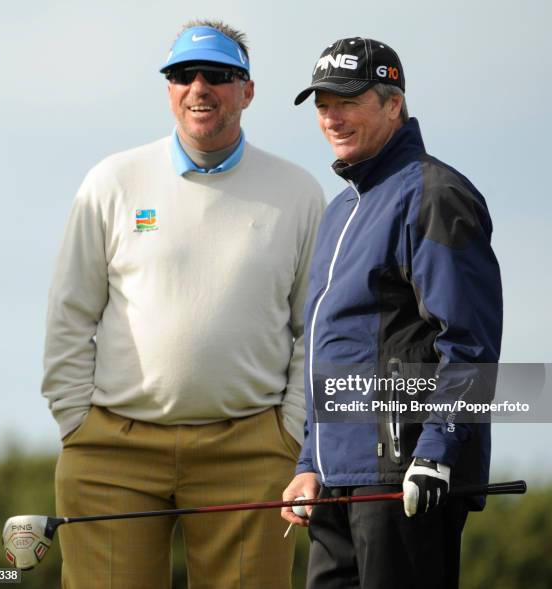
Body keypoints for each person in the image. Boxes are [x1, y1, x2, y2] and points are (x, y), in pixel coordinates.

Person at [42, 20, 324, 589]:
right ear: (168, 89)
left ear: (247, 90)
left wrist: (291, 430)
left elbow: (312, 329)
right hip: (112, 452)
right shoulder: (111, 181)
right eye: (182, 75)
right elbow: (71, 312)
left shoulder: (298, 192)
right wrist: (75, 419)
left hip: (249, 448)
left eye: (218, 75)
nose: (199, 87)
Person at [281, 37, 503, 589]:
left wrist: (437, 451)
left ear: (393, 105)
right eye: (323, 104)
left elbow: (470, 344)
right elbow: (330, 353)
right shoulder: (341, 209)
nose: (333, 117)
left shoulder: (435, 194)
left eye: (348, 101)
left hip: (406, 474)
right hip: (338, 480)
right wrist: (310, 461)